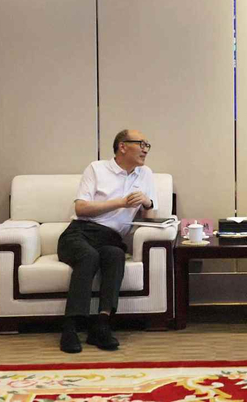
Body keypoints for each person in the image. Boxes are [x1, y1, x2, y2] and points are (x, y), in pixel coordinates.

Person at [57, 129, 157, 353]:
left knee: (116, 254)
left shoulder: (145, 174)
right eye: (141, 144)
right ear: (122, 146)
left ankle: (101, 325)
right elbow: (81, 208)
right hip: (79, 233)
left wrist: (147, 202)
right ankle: (70, 327)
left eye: (147, 145)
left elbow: (149, 220)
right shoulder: (97, 169)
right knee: (89, 256)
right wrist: (120, 202)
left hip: (110, 238)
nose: (145, 150)